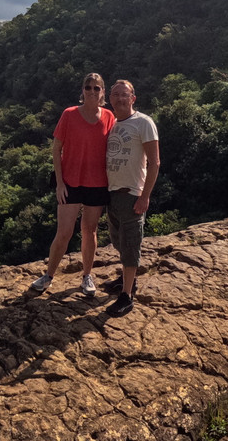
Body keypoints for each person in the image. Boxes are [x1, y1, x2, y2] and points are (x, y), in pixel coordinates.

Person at [31, 73, 116, 296]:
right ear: (82, 90)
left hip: (97, 183)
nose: (92, 91)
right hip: (70, 182)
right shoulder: (69, 115)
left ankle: (87, 276)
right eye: (88, 87)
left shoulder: (109, 117)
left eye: (97, 88)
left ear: (103, 92)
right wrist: (59, 183)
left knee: (90, 230)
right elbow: (56, 149)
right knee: (64, 233)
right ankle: (49, 275)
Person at [102, 79, 160, 317]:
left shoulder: (144, 122)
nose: (119, 98)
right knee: (117, 241)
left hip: (131, 193)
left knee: (130, 244)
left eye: (124, 94)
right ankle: (128, 280)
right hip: (111, 194)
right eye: (115, 94)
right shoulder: (111, 124)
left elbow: (154, 163)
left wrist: (145, 196)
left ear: (133, 98)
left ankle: (126, 296)